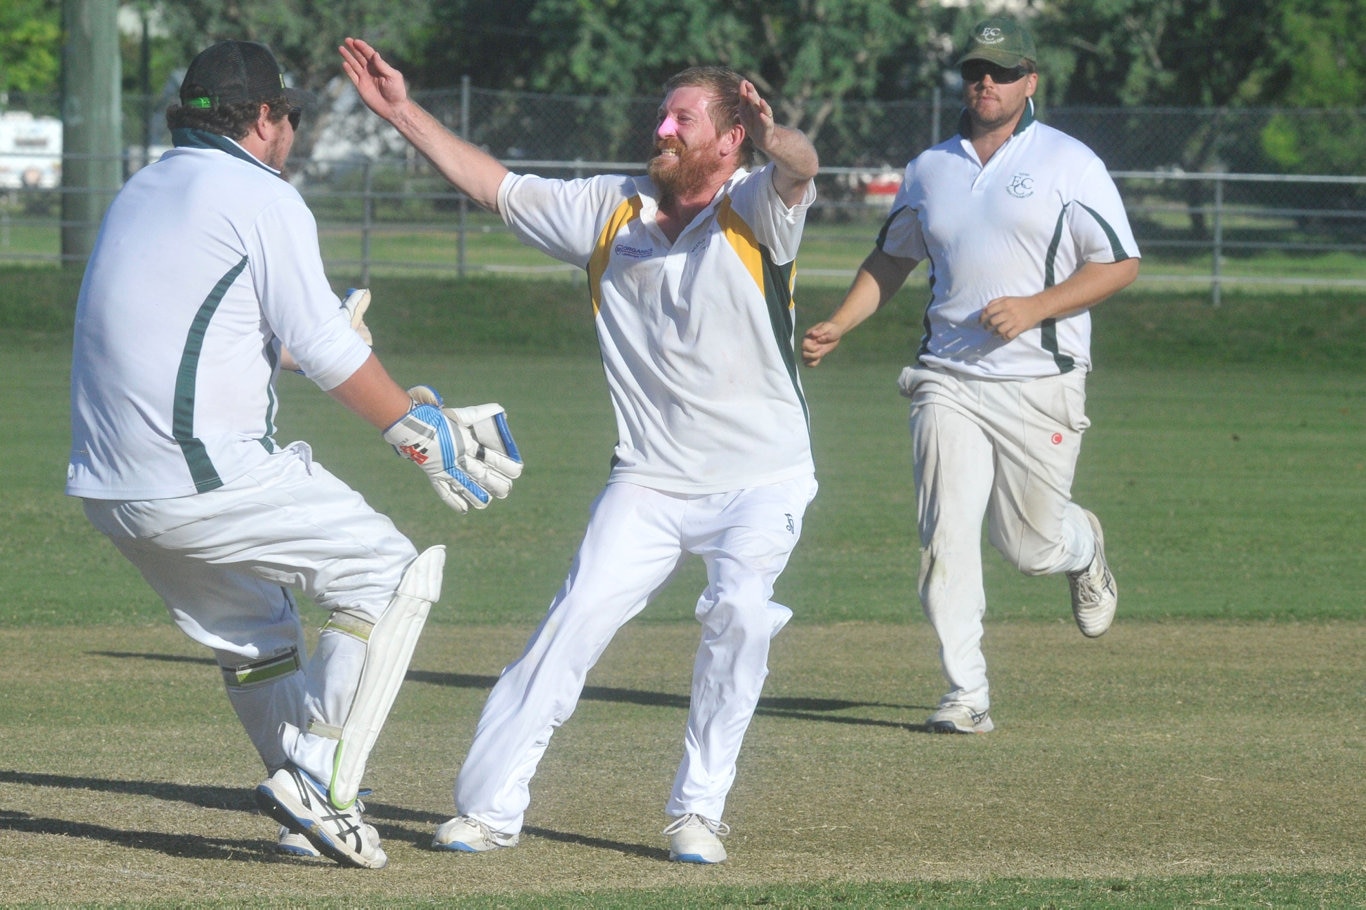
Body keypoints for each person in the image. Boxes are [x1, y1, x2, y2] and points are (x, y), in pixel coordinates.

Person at [340, 37, 820, 863]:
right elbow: (493, 185)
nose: (663, 127)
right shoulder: (610, 208)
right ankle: (488, 811)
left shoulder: (756, 206)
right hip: (649, 478)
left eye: (684, 117)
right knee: (569, 628)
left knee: (740, 618)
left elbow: (802, 170)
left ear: (731, 136)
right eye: (661, 114)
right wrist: (399, 111)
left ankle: (697, 811)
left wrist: (782, 144)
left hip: (763, 478)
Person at [66, 40, 521, 869]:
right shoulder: (259, 193)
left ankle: (299, 801)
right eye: (290, 116)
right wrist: (420, 438)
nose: (293, 134)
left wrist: (302, 350)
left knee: (257, 634)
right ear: (266, 118)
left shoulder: (146, 187)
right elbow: (322, 344)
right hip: (198, 473)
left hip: (109, 484)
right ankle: (320, 783)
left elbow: (202, 327)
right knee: (387, 574)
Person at [802, 17, 1140, 734]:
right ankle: (967, 693)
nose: (986, 82)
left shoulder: (1069, 162)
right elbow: (895, 258)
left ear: (1031, 81)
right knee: (944, 534)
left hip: (1038, 381)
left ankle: (1083, 548)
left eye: (1002, 71)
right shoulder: (931, 168)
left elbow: (1119, 263)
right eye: (975, 71)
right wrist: (841, 321)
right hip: (946, 377)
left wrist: (1035, 308)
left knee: (1029, 546)